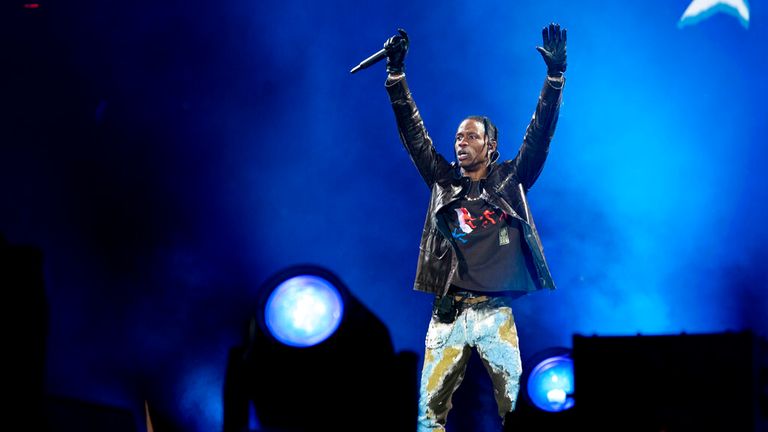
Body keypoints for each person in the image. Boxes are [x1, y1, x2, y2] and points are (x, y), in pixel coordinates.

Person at [381, 23, 567, 431]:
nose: (460, 142)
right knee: (429, 416)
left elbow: (539, 135)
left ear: (490, 146)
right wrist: (397, 77)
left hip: (494, 313)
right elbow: (414, 134)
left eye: (469, 136)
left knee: (516, 410)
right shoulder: (443, 182)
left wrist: (554, 81)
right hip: (447, 313)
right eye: (457, 137)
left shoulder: (510, 180)